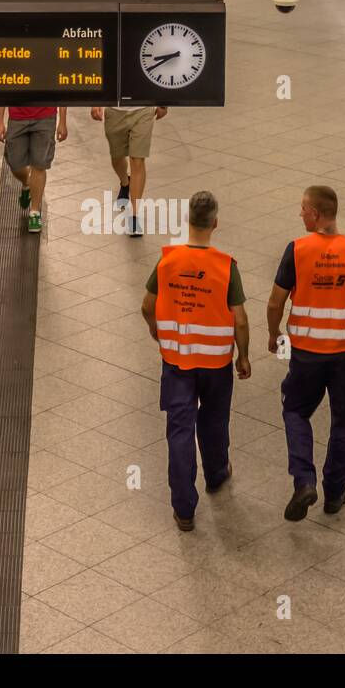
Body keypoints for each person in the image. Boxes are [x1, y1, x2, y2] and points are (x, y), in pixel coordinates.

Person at [266, 186, 345, 522]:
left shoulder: (297, 250)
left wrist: (273, 333)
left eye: (303, 208)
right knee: (344, 422)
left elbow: (275, 301)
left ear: (317, 213)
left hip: (307, 355)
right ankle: (335, 492)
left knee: (295, 411)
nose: (300, 213)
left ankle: (304, 481)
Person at [141, 192, 251, 531]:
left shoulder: (167, 261)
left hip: (177, 361)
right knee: (215, 421)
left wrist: (156, 332)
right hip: (216, 363)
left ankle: (184, 509)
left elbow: (147, 305)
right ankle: (217, 475)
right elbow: (241, 319)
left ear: (187, 220)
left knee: (179, 429)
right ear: (215, 223)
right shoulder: (225, 266)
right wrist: (243, 356)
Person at [89, 103, 166, 236]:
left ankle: (134, 215)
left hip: (144, 109)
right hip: (115, 109)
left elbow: (156, 81)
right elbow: (105, 80)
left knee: (137, 160)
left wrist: (164, 104)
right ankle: (125, 183)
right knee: (117, 158)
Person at [0, 103, 67, 233]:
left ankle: (34, 212)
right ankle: (27, 183)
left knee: (39, 164)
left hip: (46, 117)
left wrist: (63, 120)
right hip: (17, 117)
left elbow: (60, 90)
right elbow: (4, 87)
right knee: (15, 162)